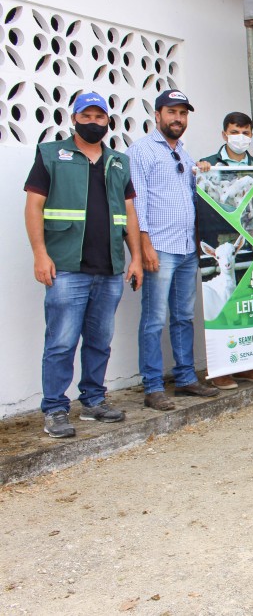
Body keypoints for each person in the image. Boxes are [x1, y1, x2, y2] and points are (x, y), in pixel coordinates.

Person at [24, 92, 144, 437]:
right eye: (86, 116)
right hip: (65, 266)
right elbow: (34, 206)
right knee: (61, 341)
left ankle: (93, 401)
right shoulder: (52, 155)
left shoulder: (119, 162)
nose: (93, 122)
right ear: (74, 119)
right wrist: (40, 254)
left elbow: (129, 213)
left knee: (99, 340)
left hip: (108, 267)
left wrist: (135, 257)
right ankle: (56, 409)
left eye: (100, 117)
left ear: (109, 121)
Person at [128, 90, 218, 411]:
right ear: (157, 115)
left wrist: (204, 171)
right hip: (159, 248)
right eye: (172, 112)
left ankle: (185, 378)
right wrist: (144, 246)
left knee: (183, 317)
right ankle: (153, 386)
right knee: (154, 319)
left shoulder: (184, 152)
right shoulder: (141, 151)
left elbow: (195, 195)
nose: (178, 118)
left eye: (183, 113)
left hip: (186, 248)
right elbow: (135, 203)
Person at [198, 111, 253, 389]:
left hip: (250, 244)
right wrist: (202, 171)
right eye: (234, 131)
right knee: (221, 304)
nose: (240, 137)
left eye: (245, 132)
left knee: (248, 300)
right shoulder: (209, 165)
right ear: (224, 134)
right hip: (222, 243)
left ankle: (249, 364)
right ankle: (221, 368)